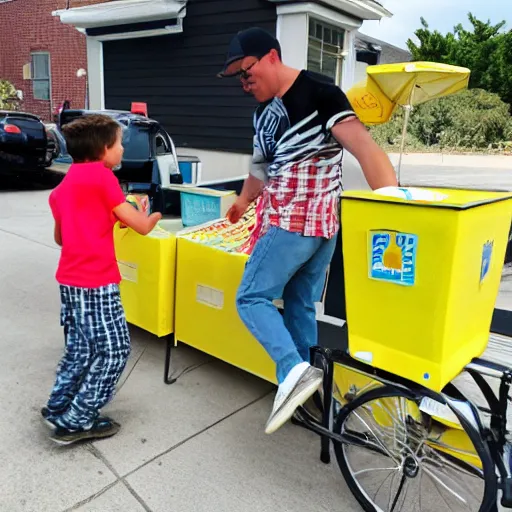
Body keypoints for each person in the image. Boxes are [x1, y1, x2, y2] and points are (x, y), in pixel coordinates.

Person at [218, 28, 398, 435]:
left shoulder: (320, 91)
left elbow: (363, 147)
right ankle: (307, 392)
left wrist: (396, 205)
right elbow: (260, 168)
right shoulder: (263, 111)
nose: (244, 84)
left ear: (270, 57)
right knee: (299, 304)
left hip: (295, 222)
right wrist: (244, 202)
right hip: (317, 228)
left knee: (250, 297)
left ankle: (292, 371)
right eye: (238, 80)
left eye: (246, 73)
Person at [42, 114, 162, 445]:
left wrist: (107, 218)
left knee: (80, 348)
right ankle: (76, 421)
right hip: (97, 281)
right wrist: (153, 214)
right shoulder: (103, 177)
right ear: (103, 149)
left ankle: (57, 406)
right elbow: (140, 225)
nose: (123, 149)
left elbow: (62, 238)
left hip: (70, 280)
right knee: (114, 350)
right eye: (120, 143)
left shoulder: (63, 187)